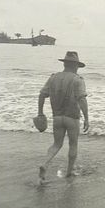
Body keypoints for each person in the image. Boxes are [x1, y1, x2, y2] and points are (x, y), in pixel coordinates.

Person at [38, 51, 89, 181]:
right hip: (72, 118)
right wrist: (86, 118)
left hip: (57, 117)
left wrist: (40, 112)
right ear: (75, 65)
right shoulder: (77, 80)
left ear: (65, 64)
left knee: (56, 144)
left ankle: (45, 163)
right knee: (73, 144)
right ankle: (69, 172)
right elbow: (82, 99)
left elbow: (42, 95)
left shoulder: (53, 77)